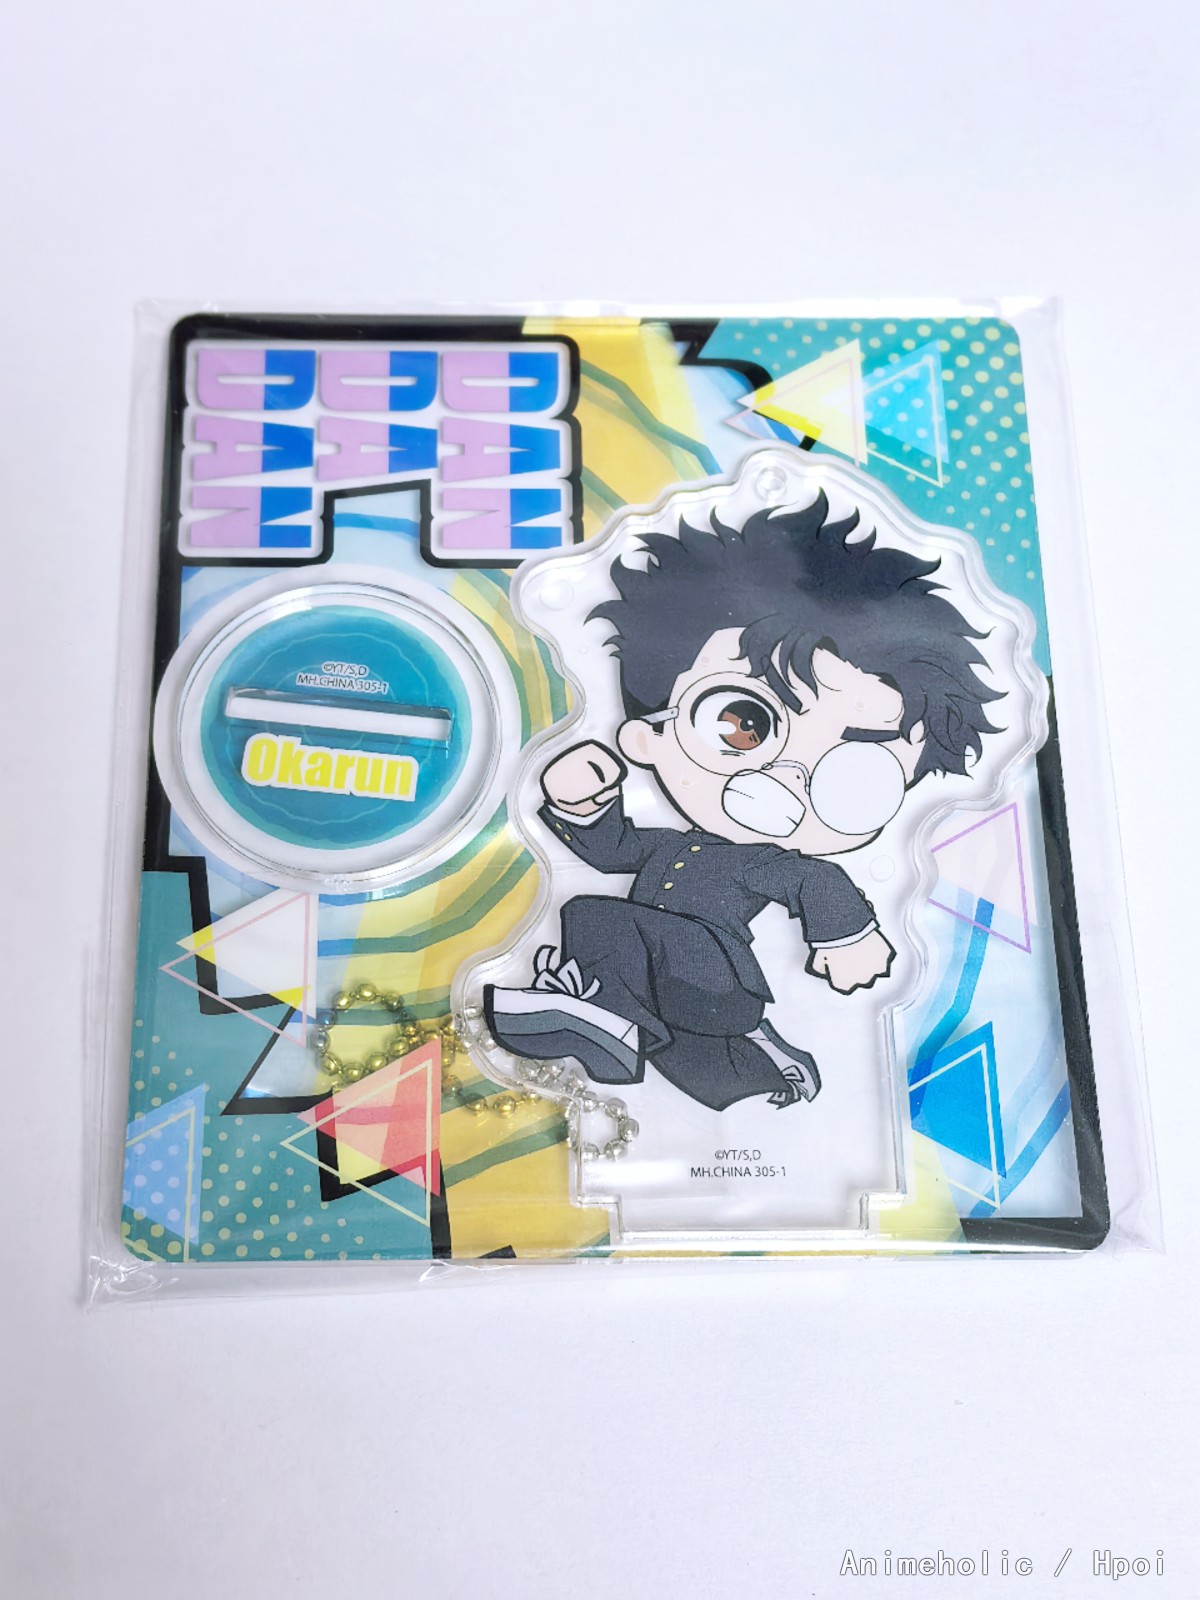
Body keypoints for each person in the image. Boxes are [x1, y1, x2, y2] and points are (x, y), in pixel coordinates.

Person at [485, 492, 1002, 1111]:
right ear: (646, 737)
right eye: (742, 725)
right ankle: (618, 1023)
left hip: (716, 978)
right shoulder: (674, 844)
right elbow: (614, 851)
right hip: (674, 986)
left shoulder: (762, 863)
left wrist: (848, 936)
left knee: (600, 918)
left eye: (854, 774)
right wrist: (583, 797)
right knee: (598, 928)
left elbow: (813, 879)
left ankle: (604, 1019)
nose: (786, 776)